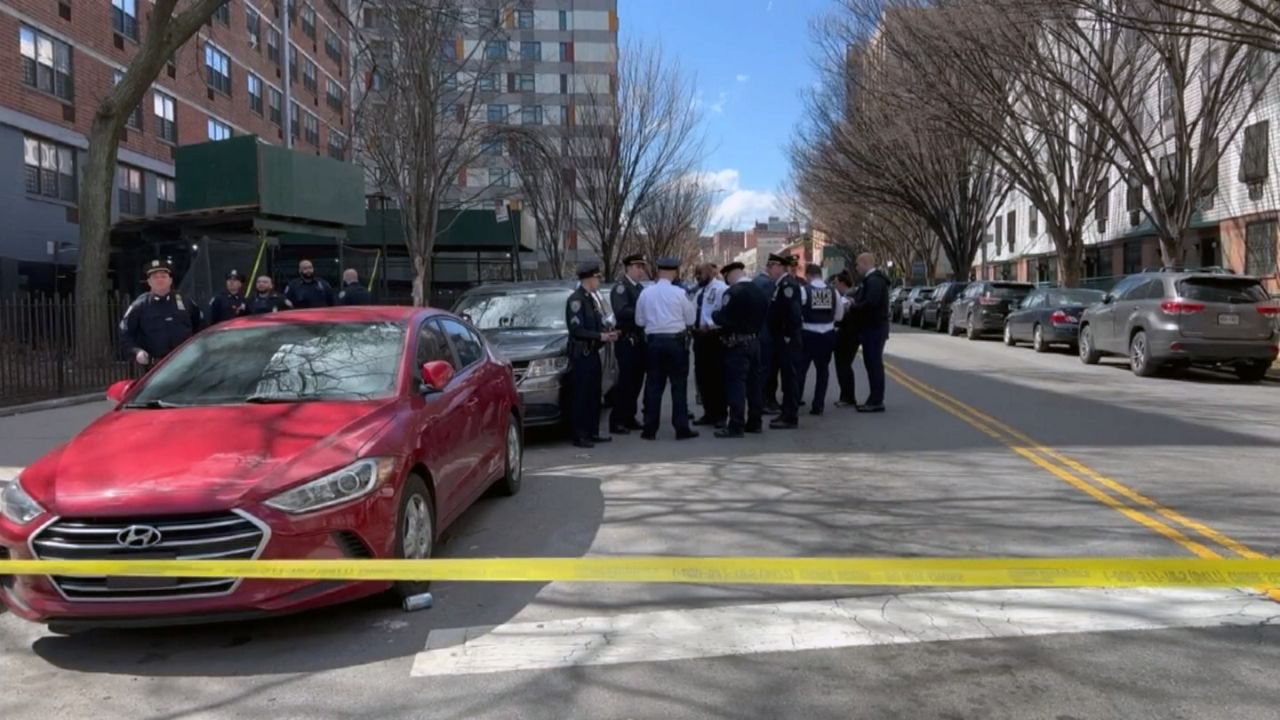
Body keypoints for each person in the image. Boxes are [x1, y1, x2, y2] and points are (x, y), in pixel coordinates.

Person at [635, 256, 698, 441]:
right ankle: (681, 429)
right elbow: (691, 320)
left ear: (658, 271)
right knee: (678, 386)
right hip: (676, 343)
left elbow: (639, 320)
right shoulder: (679, 293)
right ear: (675, 272)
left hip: (653, 343)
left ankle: (649, 429)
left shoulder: (646, 293)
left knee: (654, 386)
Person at [711, 262, 768, 438]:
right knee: (755, 385)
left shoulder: (733, 292)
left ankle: (736, 425)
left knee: (736, 385)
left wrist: (715, 315)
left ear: (730, 275)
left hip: (737, 344)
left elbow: (725, 319)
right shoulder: (760, 292)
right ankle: (755, 422)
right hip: (755, 342)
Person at [566, 263, 618, 448]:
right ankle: (581, 435)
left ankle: (593, 431)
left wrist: (607, 332)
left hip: (593, 352)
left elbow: (596, 324)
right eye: (597, 278)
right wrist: (600, 336)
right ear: (589, 278)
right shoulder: (576, 300)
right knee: (582, 396)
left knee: (594, 395)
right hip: (582, 355)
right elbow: (577, 329)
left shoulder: (590, 299)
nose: (599, 281)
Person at [119, 259, 203, 367]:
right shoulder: (139, 306)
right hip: (156, 368)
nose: (159, 280)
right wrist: (136, 352)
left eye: (163, 276)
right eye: (155, 277)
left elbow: (201, 326)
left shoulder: (186, 302)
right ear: (149, 282)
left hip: (187, 364)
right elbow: (125, 334)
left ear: (170, 280)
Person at [609, 254, 649, 435]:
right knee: (625, 382)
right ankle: (617, 420)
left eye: (642, 267)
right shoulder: (621, 288)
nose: (641, 271)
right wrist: (644, 311)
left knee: (636, 381)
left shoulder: (639, 287)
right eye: (637, 267)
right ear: (627, 268)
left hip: (639, 340)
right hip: (627, 340)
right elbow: (621, 311)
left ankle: (629, 416)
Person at [765, 253, 804, 429]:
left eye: (771, 265)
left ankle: (790, 415)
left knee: (789, 378)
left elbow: (792, 313)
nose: (769, 269)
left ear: (780, 266)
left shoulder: (788, 284)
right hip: (780, 337)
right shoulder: (779, 285)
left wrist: (788, 335)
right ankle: (786, 412)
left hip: (787, 338)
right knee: (786, 377)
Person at [798, 263, 843, 416]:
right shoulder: (834, 292)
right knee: (823, 370)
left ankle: (796, 400)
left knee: (801, 370)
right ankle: (819, 405)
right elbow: (839, 316)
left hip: (808, 333)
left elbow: (797, 313)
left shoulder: (804, 291)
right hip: (828, 334)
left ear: (808, 276)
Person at [849, 252, 891, 412]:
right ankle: (874, 398)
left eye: (858, 265)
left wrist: (854, 306)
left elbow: (870, 304)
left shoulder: (874, 282)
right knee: (872, 364)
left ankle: (876, 400)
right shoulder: (873, 281)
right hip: (874, 328)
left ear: (865, 263)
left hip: (874, 329)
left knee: (873, 364)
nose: (857, 268)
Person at [691, 262, 728, 428]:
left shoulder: (720, 288)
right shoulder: (700, 291)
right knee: (703, 377)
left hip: (714, 337)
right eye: (697, 275)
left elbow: (724, 312)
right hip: (699, 338)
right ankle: (709, 412)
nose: (698, 277)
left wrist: (711, 325)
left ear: (711, 274)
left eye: (701, 274)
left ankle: (720, 414)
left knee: (717, 378)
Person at [832, 271, 862, 408]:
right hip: (851, 335)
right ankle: (847, 396)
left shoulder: (848, 297)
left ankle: (847, 397)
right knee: (844, 366)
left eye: (836, 283)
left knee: (843, 366)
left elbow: (841, 317)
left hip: (848, 336)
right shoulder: (851, 294)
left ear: (842, 283)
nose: (834, 286)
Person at [752, 266, 780, 414]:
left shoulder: (755, 281)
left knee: (760, 368)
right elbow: (772, 308)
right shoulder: (768, 284)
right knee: (767, 369)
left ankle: (761, 400)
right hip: (768, 332)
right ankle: (763, 401)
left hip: (757, 330)